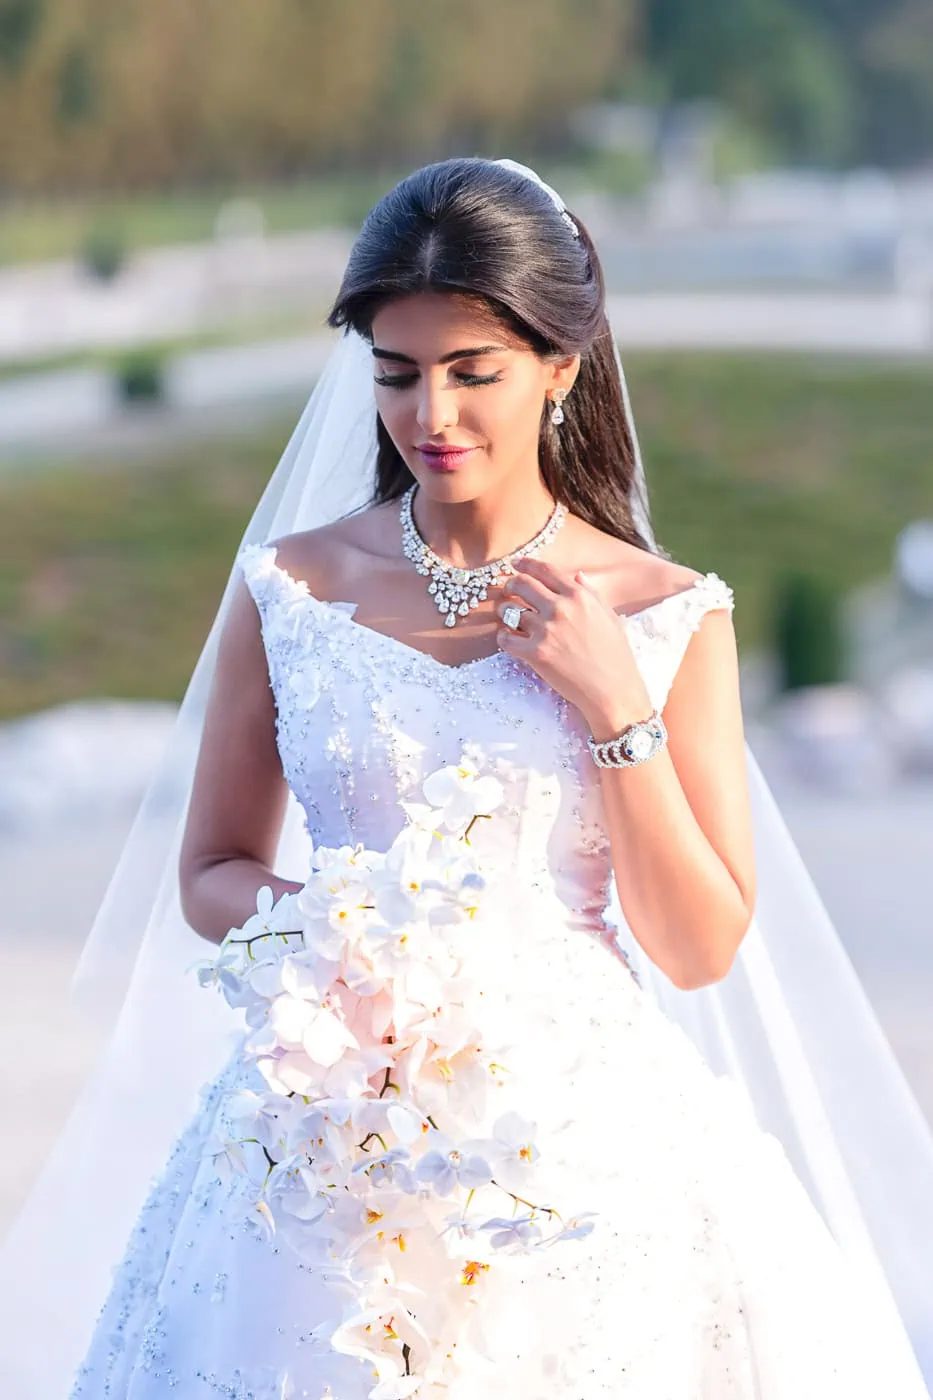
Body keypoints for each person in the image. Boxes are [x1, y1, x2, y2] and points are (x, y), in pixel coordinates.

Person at [3, 158, 932, 1399]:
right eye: (395, 372)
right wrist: (335, 942)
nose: (428, 414)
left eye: (470, 370)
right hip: (322, 1139)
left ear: (562, 364)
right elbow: (212, 871)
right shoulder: (291, 587)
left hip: (585, 1167)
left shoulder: (664, 616)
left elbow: (701, 942)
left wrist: (614, 706)